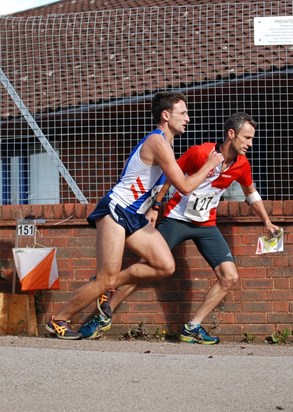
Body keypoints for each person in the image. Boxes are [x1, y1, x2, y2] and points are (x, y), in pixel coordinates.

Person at [80, 112, 279, 344]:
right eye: (246, 138)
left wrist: (265, 220)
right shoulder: (200, 152)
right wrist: (155, 206)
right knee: (147, 266)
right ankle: (104, 312)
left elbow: (250, 193)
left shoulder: (242, 165)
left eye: (252, 139)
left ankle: (192, 327)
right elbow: (168, 176)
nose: (250, 144)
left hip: (206, 224)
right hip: (176, 218)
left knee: (229, 277)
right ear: (231, 134)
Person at [46, 91, 224, 339]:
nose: (188, 119)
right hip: (116, 211)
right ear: (165, 115)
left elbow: (167, 182)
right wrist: (209, 165)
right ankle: (59, 319)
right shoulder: (157, 142)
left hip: (136, 217)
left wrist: (154, 207)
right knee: (105, 280)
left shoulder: (167, 144)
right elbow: (184, 186)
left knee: (164, 265)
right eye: (183, 113)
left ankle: (107, 282)